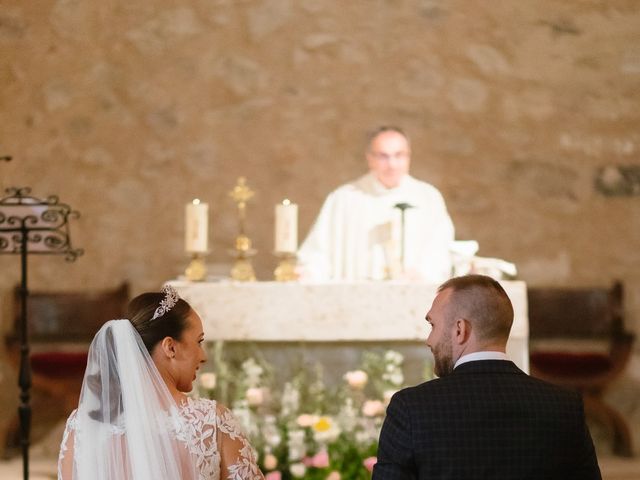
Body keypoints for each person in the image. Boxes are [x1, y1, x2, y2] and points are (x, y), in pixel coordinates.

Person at [373, 274, 602, 479]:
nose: (429, 340)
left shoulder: (411, 408)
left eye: (432, 325)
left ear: (459, 330)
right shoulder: (564, 406)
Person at [58, 285, 265, 480]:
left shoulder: (82, 426)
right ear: (170, 347)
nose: (203, 356)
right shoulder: (212, 422)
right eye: (198, 342)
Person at [298, 126, 454, 282]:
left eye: (399, 155)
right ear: (369, 158)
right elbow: (318, 253)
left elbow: (440, 249)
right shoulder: (343, 199)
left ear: (409, 156)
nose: (392, 164)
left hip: (413, 295)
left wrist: (421, 274)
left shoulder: (428, 197)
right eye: (383, 156)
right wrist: (309, 273)